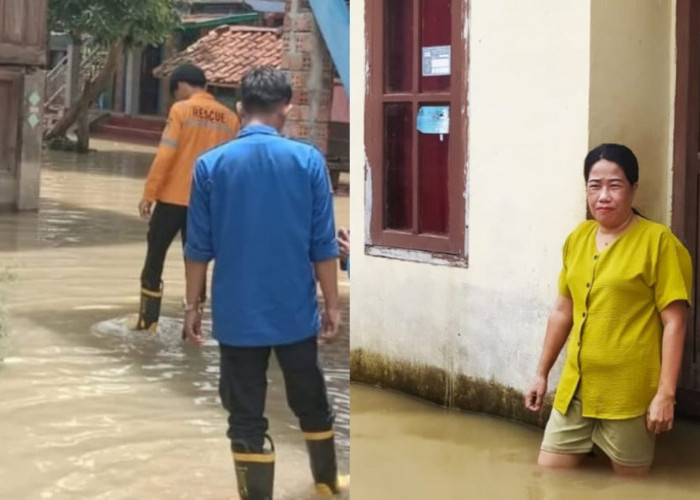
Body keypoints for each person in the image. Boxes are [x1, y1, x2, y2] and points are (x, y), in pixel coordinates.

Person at [183, 67, 344, 499]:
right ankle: (327, 484)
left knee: (245, 416)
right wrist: (332, 304)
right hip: (295, 313)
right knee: (311, 400)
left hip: (236, 317)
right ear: (286, 109)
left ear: (239, 109)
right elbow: (323, 245)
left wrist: (192, 306)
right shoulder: (308, 161)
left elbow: (197, 248)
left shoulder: (209, 166)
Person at [525, 143, 692, 475]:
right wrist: (541, 374)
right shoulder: (579, 238)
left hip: (628, 396)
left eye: (614, 186)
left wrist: (665, 395)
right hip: (576, 390)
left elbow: (675, 322)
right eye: (594, 185)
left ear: (633, 189)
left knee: (629, 488)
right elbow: (563, 311)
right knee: (548, 477)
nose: (603, 196)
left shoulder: (659, 242)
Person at [133, 64, 240, 332]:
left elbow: (166, 155)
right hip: (207, 204)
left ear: (181, 84)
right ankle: (193, 327)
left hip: (173, 197)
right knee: (197, 261)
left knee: (155, 254)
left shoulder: (181, 110)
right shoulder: (230, 118)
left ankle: (148, 322)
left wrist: (149, 194)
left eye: (175, 91)